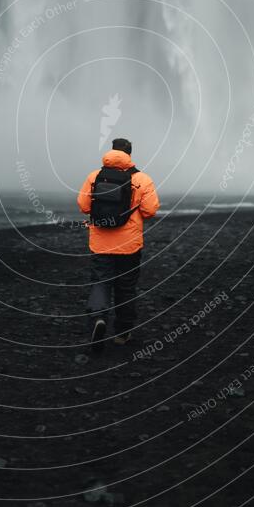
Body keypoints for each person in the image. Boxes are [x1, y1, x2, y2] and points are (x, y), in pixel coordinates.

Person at [77, 138, 160, 351]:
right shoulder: (142, 179)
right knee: (126, 287)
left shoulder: (94, 176)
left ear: (112, 151)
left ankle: (98, 318)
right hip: (129, 245)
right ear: (130, 154)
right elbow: (150, 211)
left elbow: (84, 206)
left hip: (100, 244)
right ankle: (123, 334)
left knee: (101, 282)